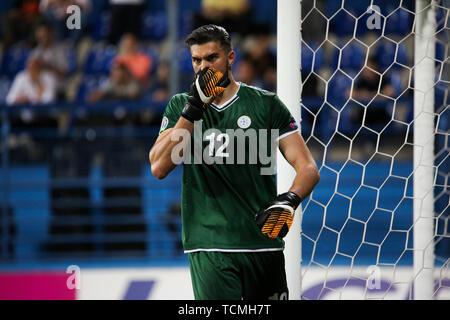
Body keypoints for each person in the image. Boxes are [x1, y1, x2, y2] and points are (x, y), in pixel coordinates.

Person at [149, 25, 320, 300]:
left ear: (230, 57)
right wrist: (193, 110)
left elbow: (308, 168)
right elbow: (158, 166)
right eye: (196, 60)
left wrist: (290, 199)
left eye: (211, 58)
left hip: (263, 242)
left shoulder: (266, 105)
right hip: (210, 245)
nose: (204, 67)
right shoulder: (180, 106)